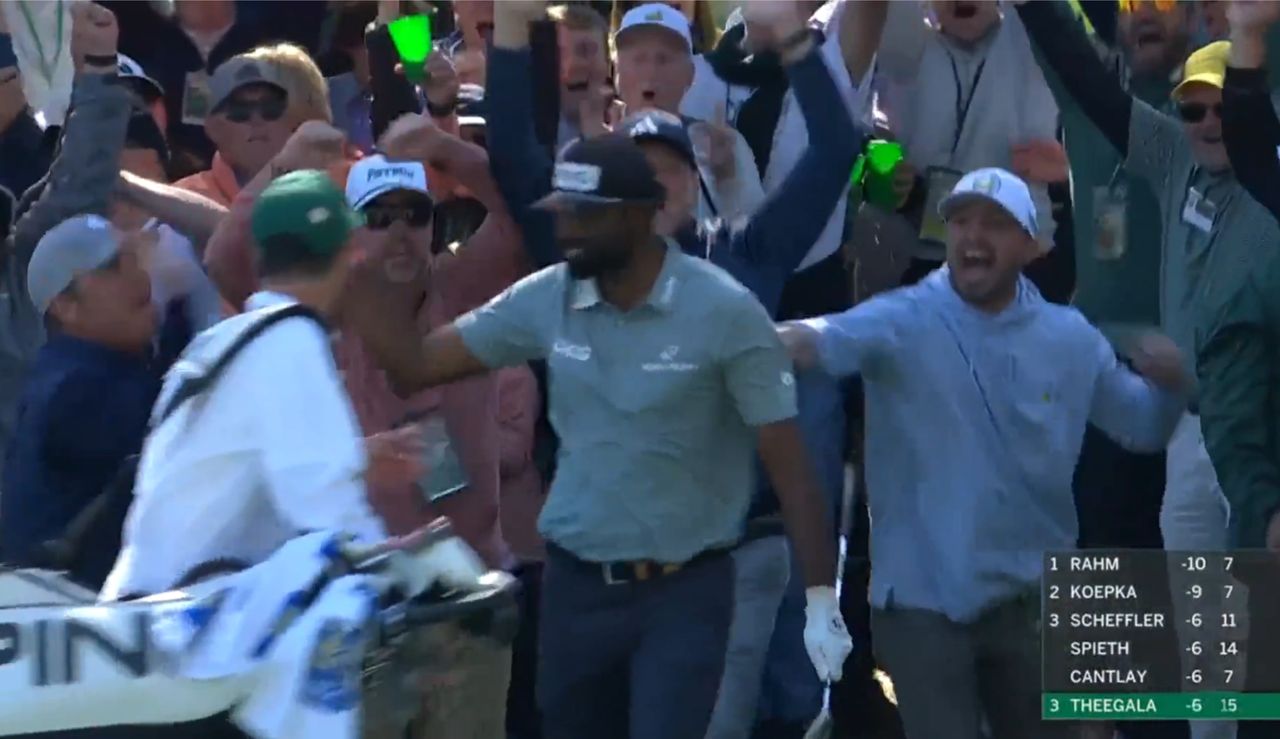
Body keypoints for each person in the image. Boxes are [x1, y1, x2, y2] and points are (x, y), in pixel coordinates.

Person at [343, 133, 851, 739]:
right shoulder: (547, 296)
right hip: (575, 593)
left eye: (588, 216)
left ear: (641, 216)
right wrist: (344, 266)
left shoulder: (726, 311)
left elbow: (793, 467)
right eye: (564, 215)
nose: (569, 233)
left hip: (686, 591)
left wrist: (821, 597)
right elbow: (416, 366)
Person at [777, 167, 1189, 739]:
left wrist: (1171, 387)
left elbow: (1143, 429)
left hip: (1032, 604)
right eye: (961, 221)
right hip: (922, 602)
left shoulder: (1070, 338)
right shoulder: (902, 318)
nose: (973, 237)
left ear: (1033, 245)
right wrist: (741, 340)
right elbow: (815, 338)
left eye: (995, 224)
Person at [99, 170, 387, 601]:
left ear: (259, 257)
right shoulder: (290, 340)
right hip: (181, 635)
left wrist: (359, 458)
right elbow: (329, 510)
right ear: (349, 252)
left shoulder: (223, 339)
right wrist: (393, 573)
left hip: (141, 622)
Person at [0, 215, 193, 588]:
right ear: (65, 307)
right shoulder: (73, 390)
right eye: (111, 266)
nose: (137, 274)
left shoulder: (107, 365)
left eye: (134, 257)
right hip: (56, 622)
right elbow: (179, 429)